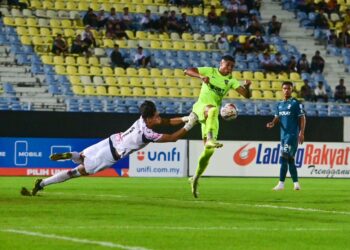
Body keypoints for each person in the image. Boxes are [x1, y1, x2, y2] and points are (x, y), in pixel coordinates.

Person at [21, 101, 198, 196]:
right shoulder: (147, 135)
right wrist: (189, 126)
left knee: (83, 156)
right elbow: (173, 138)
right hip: (110, 154)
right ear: (150, 118)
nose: (159, 116)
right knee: (76, 172)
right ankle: (43, 183)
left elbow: (167, 121)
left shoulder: (141, 120)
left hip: (110, 141)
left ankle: (73, 155)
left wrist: (185, 118)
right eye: (156, 115)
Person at [184, 55, 251, 198]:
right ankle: (209, 138)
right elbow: (187, 70)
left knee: (209, 152)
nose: (229, 68)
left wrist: (247, 87)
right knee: (213, 109)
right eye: (227, 65)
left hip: (211, 118)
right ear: (221, 63)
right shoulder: (210, 71)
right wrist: (200, 76)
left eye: (232, 66)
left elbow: (246, 95)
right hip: (201, 107)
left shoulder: (231, 80)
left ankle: (195, 177)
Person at [266, 81, 306, 191]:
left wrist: (301, 133)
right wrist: (273, 123)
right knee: (290, 160)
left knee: (283, 157)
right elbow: (277, 117)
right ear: (282, 90)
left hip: (292, 135)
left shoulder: (295, 103)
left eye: (288, 88)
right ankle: (296, 184)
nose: (286, 90)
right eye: (284, 88)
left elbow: (302, 118)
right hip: (283, 136)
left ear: (292, 89)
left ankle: (281, 184)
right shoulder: (279, 104)